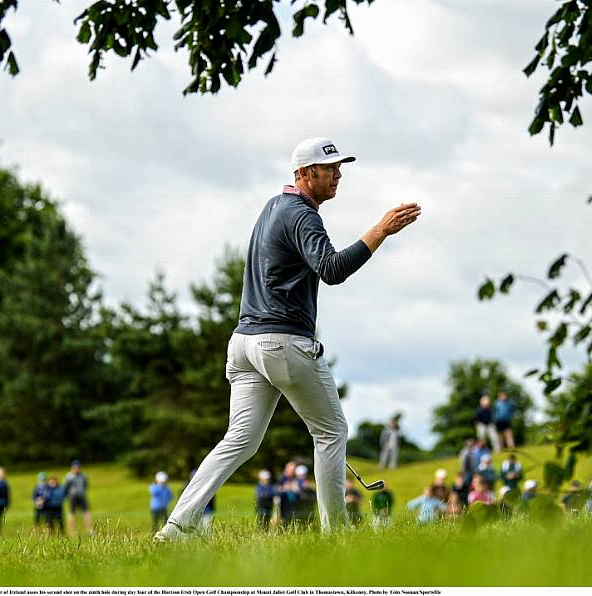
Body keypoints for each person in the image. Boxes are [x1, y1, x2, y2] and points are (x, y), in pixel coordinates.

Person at [154, 137, 421, 542]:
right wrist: (379, 231)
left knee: (239, 440)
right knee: (330, 432)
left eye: (339, 167)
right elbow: (331, 269)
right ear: (303, 173)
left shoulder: (273, 207)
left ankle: (177, 528)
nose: (338, 174)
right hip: (282, 341)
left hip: (244, 344)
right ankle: (337, 537)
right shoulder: (302, 215)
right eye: (329, 168)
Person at [64, 459, 93, 536]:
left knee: (86, 512)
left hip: (82, 496)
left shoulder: (83, 475)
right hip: (72, 497)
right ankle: (73, 532)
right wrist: (68, 496)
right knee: (72, 513)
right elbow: (66, 488)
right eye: (75, 467)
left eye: (78, 467)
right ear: (72, 468)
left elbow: (86, 485)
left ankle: (89, 530)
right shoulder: (69, 476)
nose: (77, 469)